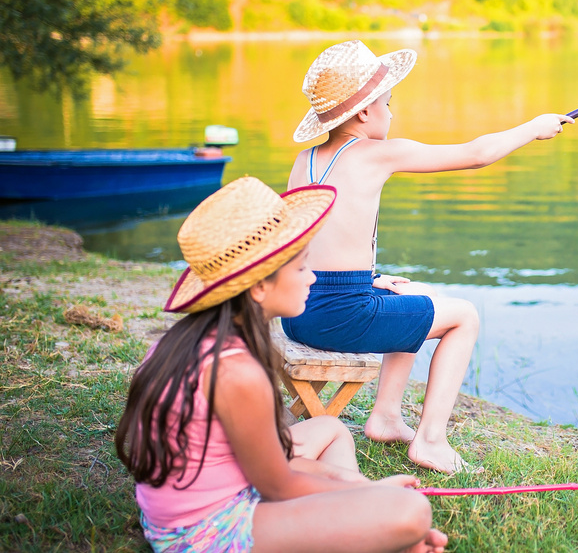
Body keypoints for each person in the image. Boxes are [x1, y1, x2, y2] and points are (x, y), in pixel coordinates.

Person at [282, 40, 573, 474]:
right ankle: (432, 441)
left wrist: (369, 279)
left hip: (302, 308)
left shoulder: (304, 161)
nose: (392, 112)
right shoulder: (377, 153)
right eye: (388, 102)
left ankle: (386, 417)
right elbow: (476, 155)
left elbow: (308, 243)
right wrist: (534, 127)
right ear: (364, 113)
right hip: (337, 317)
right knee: (465, 317)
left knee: (411, 293)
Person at [115, 176, 447, 553]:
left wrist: (358, 491)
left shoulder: (184, 342)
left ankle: (359, 528)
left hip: (209, 493)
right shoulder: (238, 372)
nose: (313, 278)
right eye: (303, 268)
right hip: (207, 530)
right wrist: (371, 497)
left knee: (330, 428)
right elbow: (278, 484)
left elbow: (273, 458)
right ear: (259, 287)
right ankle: (364, 528)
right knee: (411, 512)